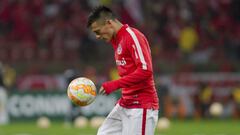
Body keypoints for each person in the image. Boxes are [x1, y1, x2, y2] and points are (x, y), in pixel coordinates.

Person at [87, 6, 159, 135]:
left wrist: (114, 84)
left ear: (109, 23)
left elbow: (146, 71)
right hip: (125, 104)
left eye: (98, 32)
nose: (98, 36)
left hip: (141, 106)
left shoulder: (132, 36)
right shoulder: (117, 40)